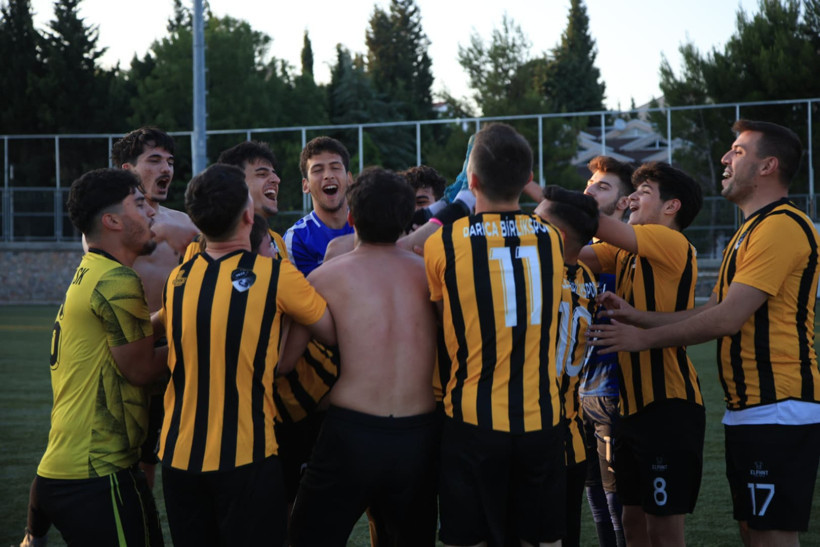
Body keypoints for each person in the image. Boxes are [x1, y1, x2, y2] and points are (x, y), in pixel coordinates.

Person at [589, 120, 820, 547]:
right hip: (749, 406)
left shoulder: (783, 225)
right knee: (754, 532)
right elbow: (709, 310)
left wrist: (641, 338)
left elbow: (727, 319)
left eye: (738, 150)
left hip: (779, 405)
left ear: (768, 165)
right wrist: (639, 318)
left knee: (771, 536)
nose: (725, 158)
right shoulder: (748, 231)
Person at [154, 164, 335, 546]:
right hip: (247, 456)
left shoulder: (179, 279)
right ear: (250, 216)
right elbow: (331, 331)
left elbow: (159, 326)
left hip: (176, 457)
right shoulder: (275, 275)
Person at [424, 123, 566, 546]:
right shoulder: (553, 240)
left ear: (471, 181)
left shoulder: (442, 244)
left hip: (472, 419)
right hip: (542, 417)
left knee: (469, 539)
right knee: (541, 540)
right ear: (526, 180)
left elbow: (441, 314)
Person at [284, 167, 438, 545]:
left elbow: (284, 362)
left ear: (351, 218)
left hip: (350, 433)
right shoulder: (435, 278)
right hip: (419, 434)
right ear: (407, 219)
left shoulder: (324, 278)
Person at [22, 168, 168, 546]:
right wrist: (208, 333)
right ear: (112, 221)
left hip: (59, 470)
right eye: (139, 203)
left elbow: (123, 342)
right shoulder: (117, 281)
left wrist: (171, 316)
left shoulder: (92, 272)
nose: (152, 212)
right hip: (100, 477)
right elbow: (140, 369)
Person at [578, 160, 705, 547]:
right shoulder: (625, 253)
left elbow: (589, 222)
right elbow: (577, 248)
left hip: (668, 407)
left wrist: (529, 189)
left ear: (672, 207)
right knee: (631, 524)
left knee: (663, 531)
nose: (632, 198)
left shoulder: (670, 240)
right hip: (630, 410)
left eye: (644, 192)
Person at [112, 126, 198, 487]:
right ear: (129, 169)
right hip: (133, 353)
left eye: (171, 161)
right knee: (131, 461)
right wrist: (157, 232)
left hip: (183, 353)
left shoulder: (185, 222)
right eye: (155, 160)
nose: (167, 169)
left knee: (186, 455)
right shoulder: (110, 223)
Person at [534, 185, 600, 547]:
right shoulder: (586, 279)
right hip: (573, 441)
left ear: (555, 235)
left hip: (536, 439)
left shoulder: (538, 277)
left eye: (536, 220)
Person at [580, 155, 634, 547]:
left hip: (613, 391)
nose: (589, 190)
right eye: (590, 183)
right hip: (578, 391)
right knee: (595, 497)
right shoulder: (587, 245)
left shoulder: (618, 249)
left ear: (624, 203)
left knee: (616, 500)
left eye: (603, 186)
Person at [183, 141, 288, 262]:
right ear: (235, 183)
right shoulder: (202, 246)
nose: (277, 180)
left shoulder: (277, 240)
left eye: (274, 174)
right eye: (262, 174)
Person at [284, 136, 355, 275]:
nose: (328, 175)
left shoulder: (372, 224)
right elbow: (308, 293)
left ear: (349, 179)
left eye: (335, 168)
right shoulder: (296, 239)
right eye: (317, 170)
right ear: (306, 185)